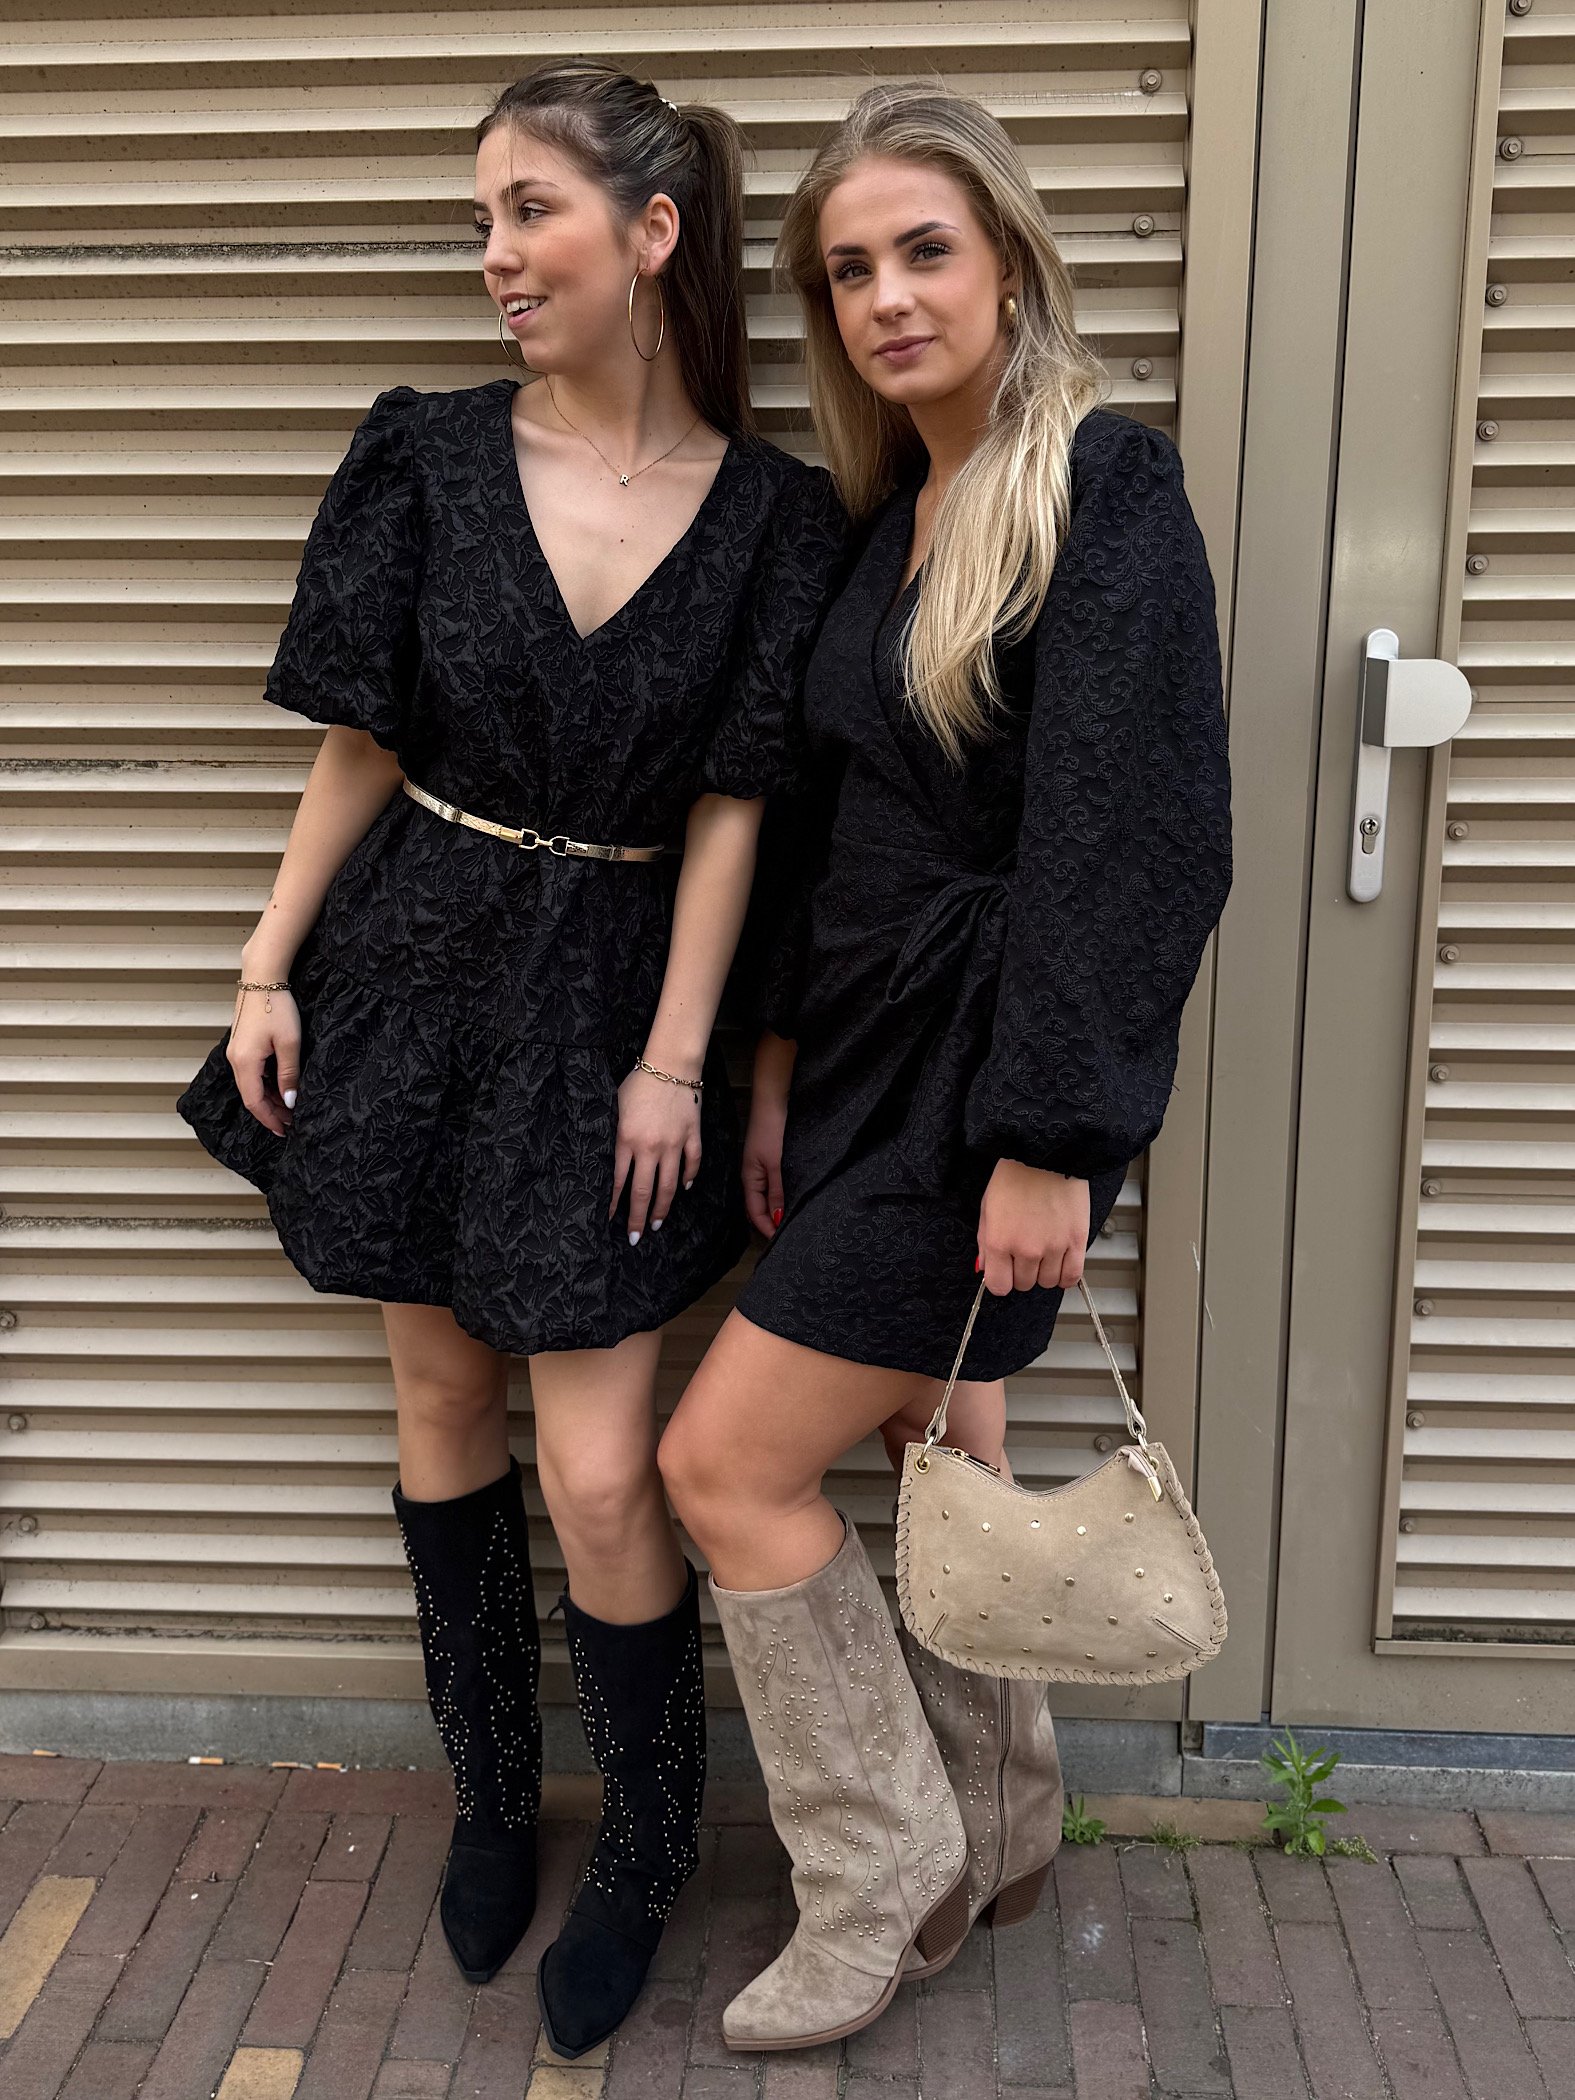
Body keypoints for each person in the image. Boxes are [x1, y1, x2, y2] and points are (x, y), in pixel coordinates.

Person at [175, 59, 846, 2060]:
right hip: (411, 965)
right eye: (478, 219)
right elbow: (361, 739)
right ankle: (491, 1796)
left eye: (527, 210)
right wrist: (265, 967)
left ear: (651, 232)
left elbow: (736, 804)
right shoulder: (428, 455)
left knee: (602, 1464)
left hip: (615, 1006)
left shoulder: (773, 516)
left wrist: (675, 1061)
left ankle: (646, 1840)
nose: (492, 255)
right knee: (439, 1400)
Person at [659, 83, 1234, 2053]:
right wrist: (769, 1069)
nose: (887, 296)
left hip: (988, 1090)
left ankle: (875, 1861)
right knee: (941, 1445)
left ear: (1008, 260)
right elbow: (829, 834)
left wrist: (1053, 1140)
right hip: (855, 1069)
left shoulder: (1104, 486)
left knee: (721, 1465)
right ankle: (998, 1821)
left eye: (924, 250)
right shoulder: (878, 517)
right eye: (848, 269)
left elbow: (1131, 841)